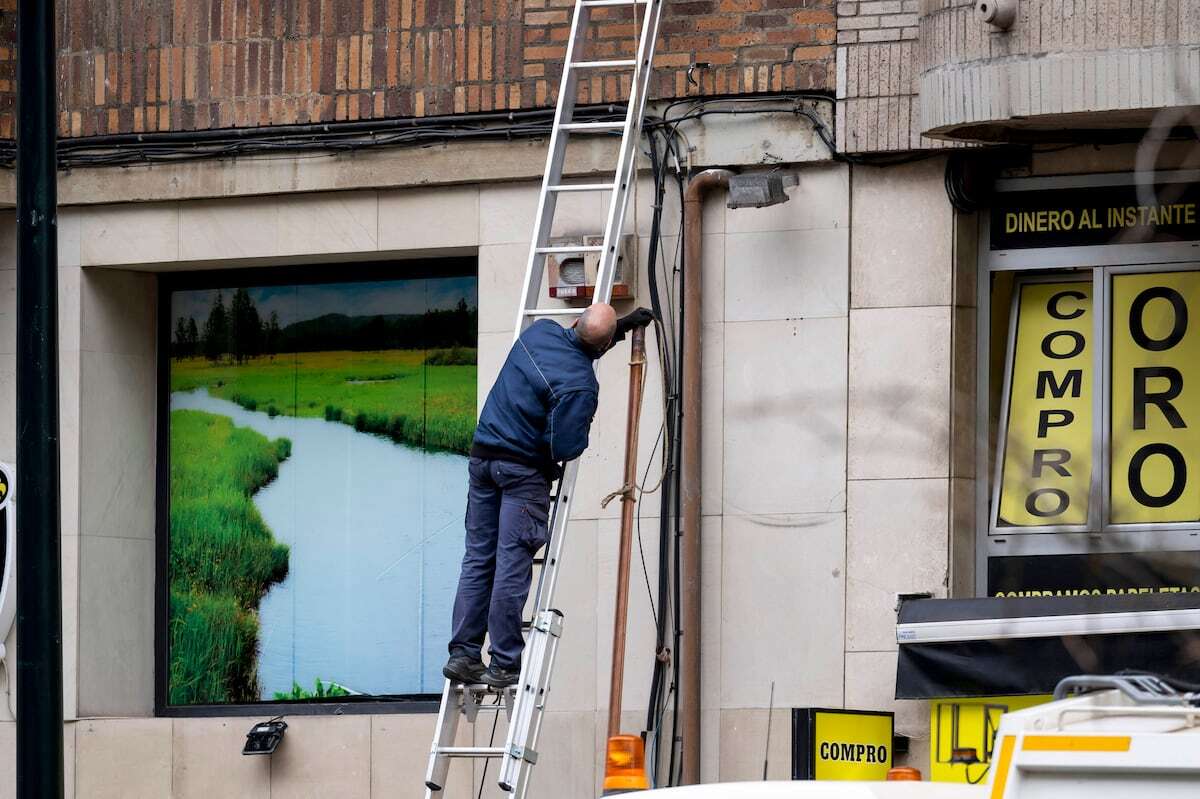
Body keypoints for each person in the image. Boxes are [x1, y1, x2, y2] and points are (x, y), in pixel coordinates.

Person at [443, 303, 655, 689]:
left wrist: (620, 327)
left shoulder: (538, 333)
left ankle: (463, 653)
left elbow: (575, 346)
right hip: (522, 474)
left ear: (574, 321)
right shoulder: (581, 386)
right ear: (604, 342)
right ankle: (504, 663)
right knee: (512, 563)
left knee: (478, 558)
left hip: (483, 461)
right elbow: (564, 446)